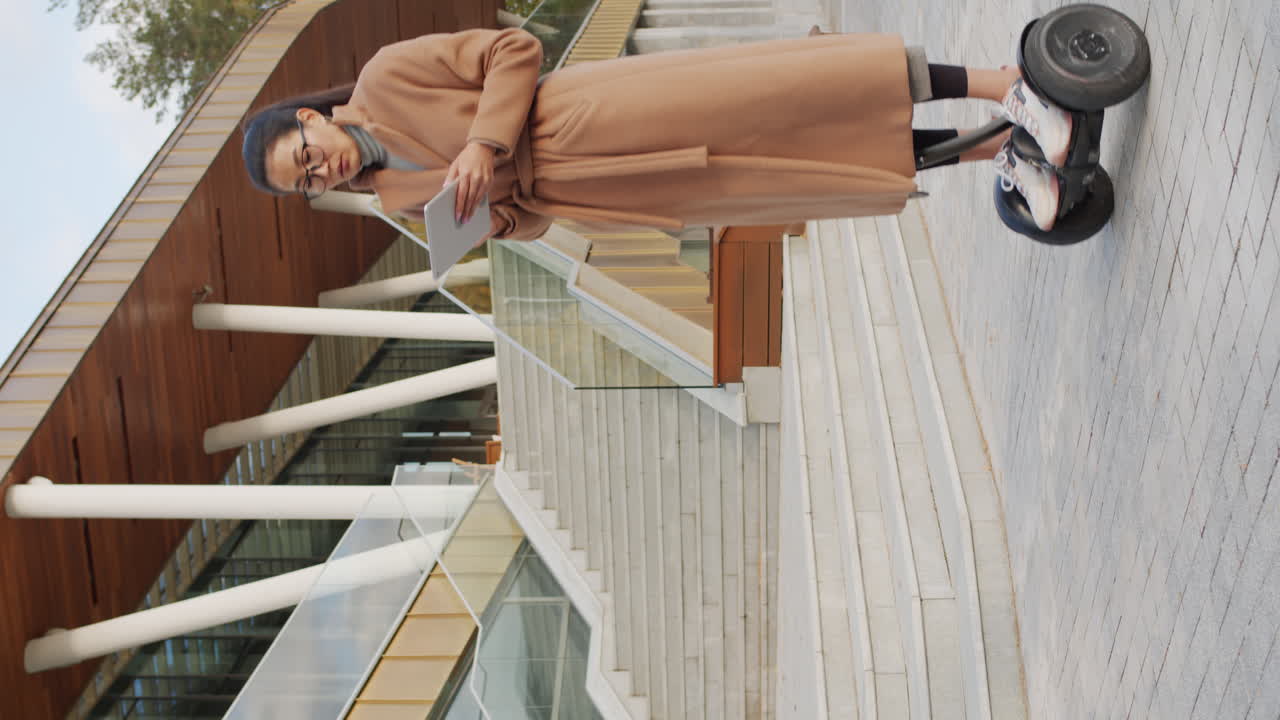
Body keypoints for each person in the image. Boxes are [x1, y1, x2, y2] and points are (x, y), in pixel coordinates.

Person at [242, 27, 1072, 240]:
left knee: (791, 94)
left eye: (305, 154)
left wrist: (481, 147)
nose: (320, 170)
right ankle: (998, 148)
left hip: (592, 112)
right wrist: (493, 214)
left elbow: (513, 50)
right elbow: (519, 224)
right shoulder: (391, 199)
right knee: (792, 170)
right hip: (594, 190)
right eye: (306, 183)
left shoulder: (388, 73)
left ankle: (1006, 86)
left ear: (311, 119)